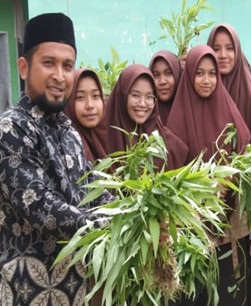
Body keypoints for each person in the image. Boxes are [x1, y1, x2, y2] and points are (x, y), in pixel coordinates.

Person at [0, 13, 113, 305]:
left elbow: (92, 189)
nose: (60, 76)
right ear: (23, 68)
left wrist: (135, 207)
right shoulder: (11, 129)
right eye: (48, 63)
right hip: (27, 293)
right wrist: (113, 225)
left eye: (68, 66)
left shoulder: (68, 131)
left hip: (74, 292)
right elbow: (42, 206)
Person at [165, 45, 251, 306]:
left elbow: (245, 161)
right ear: (189, 75)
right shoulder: (176, 120)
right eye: (199, 73)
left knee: (227, 297)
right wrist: (203, 187)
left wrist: (231, 179)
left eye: (212, 73)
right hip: (189, 233)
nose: (206, 80)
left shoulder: (230, 112)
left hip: (228, 232)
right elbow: (169, 178)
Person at [96, 64, 189, 170]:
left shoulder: (165, 142)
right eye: (135, 95)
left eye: (149, 97)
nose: (143, 104)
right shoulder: (103, 140)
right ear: (122, 96)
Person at [207, 24, 251, 150]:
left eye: (230, 48)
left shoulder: (250, 93)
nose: (223, 55)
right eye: (216, 48)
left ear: (237, 50)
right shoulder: (203, 88)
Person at [64, 68, 108, 162]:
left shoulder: (109, 138)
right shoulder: (67, 148)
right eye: (80, 97)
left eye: (96, 96)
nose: (90, 105)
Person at [148, 50, 181, 124]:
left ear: (177, 75)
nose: (162, 81)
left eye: (168, 73)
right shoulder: (144, 116)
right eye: (156, 75)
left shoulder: (189, 113)